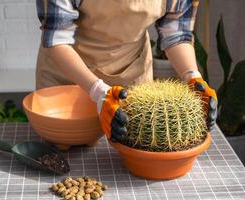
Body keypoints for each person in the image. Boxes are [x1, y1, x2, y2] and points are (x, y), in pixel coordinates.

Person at [35, 0, 217, 142]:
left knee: (132, 142)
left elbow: (176, 34)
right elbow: (58, 37)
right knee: (65, 147)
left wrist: (192, 76)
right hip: (67, 73)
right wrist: (99, 92)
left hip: (131, 70)